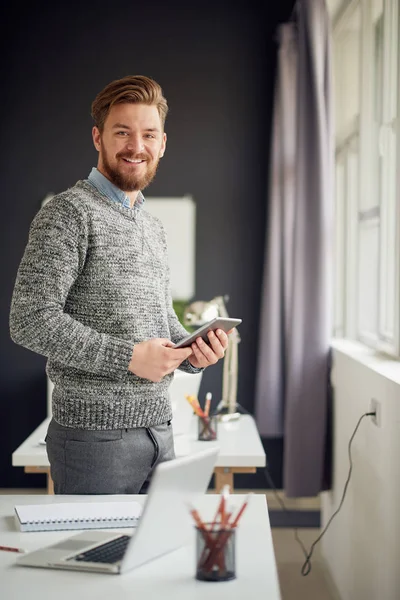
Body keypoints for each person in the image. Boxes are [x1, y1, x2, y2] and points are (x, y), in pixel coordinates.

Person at [9, 75, 229, 494]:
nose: (136, 146)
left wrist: (193, 352)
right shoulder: (67, 213)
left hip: (159, 432)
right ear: (98, 137)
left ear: (162, 144)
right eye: (122, 132)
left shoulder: (152, 227)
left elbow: (161, 323)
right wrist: (127, 357)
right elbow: (29, 319)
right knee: (99, 556)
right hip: (93, 441)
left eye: (148, 134)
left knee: (157, 558)